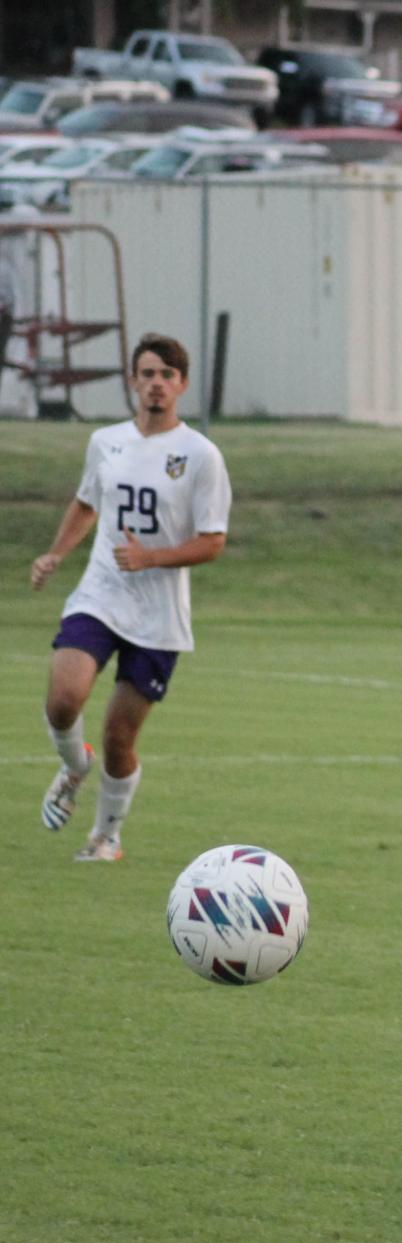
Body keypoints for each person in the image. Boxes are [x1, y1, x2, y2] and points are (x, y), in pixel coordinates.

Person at [28, 333, 231, 861]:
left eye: (166, 375)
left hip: (159, 616)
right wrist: (55, 554)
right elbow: (86, 504)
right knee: (63, 698)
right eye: (147, 374)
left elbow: (213, 541)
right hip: (101, 593)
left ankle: (105, 837)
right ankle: (74, 766)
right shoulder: (106, 442)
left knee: (120, 738)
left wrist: (152, 558)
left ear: (182, 385)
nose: (156, 384)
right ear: (132, 382)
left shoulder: (200, 456)